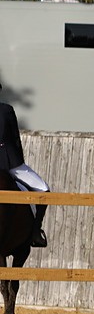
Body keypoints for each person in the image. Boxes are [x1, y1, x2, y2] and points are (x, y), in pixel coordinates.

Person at [0, 95, 49, 247]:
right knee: (44, 190)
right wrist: (18, 161)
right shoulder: (6, 110)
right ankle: (35, 233)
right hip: (10, 163)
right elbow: (15, 138)